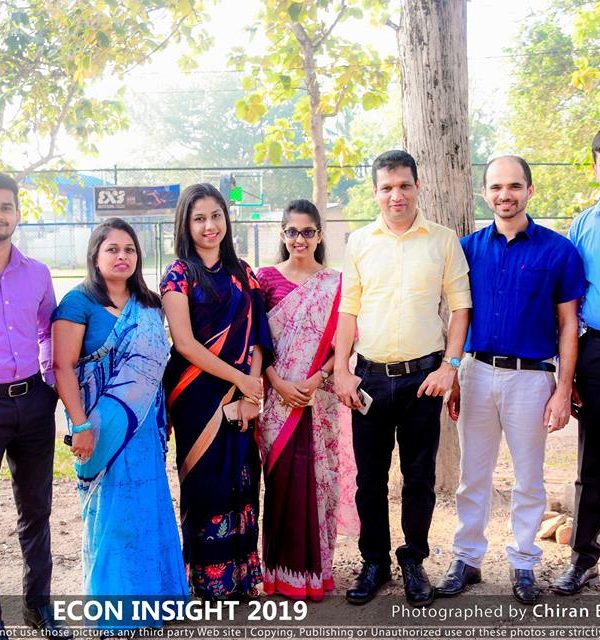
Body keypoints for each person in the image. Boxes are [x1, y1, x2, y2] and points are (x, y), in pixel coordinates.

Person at [436, 155, 585, 605]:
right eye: (497, 187)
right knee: (473, 476)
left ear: (530, 190)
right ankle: (467, 558)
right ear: (485, 193)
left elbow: (568, 324)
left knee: (529, 478)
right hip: (477, 372)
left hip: (531, 379)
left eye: (515, 186)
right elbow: (457, 315)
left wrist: (563, 389)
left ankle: (523, 561)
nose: (506, 195)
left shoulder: (558, 251)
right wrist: (454, 372)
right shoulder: (467, 249)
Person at [334, 150, 472, 607]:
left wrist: (449, 367)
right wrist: (341, 370)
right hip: (369, 380)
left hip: (423, 380)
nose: (397, 195)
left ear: (417, 186)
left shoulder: (443, 240)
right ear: (375, 192)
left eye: (404, 186)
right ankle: (373, 561)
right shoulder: (359, 242)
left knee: (419, 479)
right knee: (369, 480)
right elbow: (348, 310)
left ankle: (414, 559)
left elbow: (460, 307)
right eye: (387, 187)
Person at [52, 218, 188, 626]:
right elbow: (62, 367)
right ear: (95, 254)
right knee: (111, 519)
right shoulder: (78, 303)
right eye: (112, 249)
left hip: (144, 430)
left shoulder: (149, 304)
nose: (122, 256)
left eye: (129, 249)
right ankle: (115, 615)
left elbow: (156, 369)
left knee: (148, 509)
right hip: (100, 431)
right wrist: (80, 426)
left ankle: (160, 604)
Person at [161, 183, 273, 601]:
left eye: (215, 216)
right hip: (195, 398)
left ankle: (241, 577)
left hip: (243, 395)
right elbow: (185, 344)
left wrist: (251, 391)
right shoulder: (178, 275)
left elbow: (259, 336)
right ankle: (207, 581)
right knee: (205, 486)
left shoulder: (243, 272)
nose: (209, 226)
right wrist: (238, 380)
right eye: (199, 218)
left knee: (242, 480)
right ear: (185, 225)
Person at [256, 199, 359, 601]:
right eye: (292, 232)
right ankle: (278, 573)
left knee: (319, 482)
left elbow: (345, 343)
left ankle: (315, 574)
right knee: (280, 483)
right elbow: (257, 342)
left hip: (320, 400)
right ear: (282, 235)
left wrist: (318, 378)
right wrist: (277, 382)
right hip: (277, 399)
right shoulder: (264, 280)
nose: (300, 239)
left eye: (308, 232)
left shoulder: (336, 283)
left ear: (319, 235)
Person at [0, 173, 70, 636]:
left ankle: (37, 608)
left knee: (36, 511)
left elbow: (48, 331)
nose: (0, 215)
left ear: (18, 214)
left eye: (6, 206)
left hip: (32, 404)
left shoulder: (38, 274)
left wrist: (47, 384)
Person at [552, 131, 600, 595]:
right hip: (596, 350)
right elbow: (569, 301)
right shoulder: (584, 225)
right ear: (595, 166)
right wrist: (571, 371)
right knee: (593, 461)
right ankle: (584, 556)